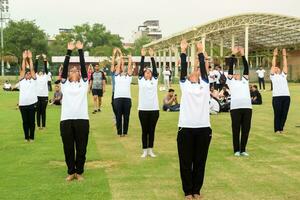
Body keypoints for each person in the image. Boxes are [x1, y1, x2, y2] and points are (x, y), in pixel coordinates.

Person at [177, 40, 212, 200]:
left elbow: (204, 69)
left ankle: (196, 190)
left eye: (196, 70)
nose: (194, 72)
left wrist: (200, 51)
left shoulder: (205, 84)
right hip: (186, 128)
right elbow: (183, 69)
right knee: (185, 162)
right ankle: (187, 191)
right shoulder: (184, 84)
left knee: (200, 162)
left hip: (203, 128)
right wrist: (183, 50)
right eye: (192, 71)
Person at [60, 41, 90, 181]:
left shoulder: (83, 84)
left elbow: (84, 69)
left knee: (81, 148)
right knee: (68, 148)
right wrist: (68, 52)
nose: (73, 71)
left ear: (79, 74)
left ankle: (79, 172)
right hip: (66, 119)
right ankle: (71, 172)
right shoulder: (64, 85)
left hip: (82, 119)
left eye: (75, 70)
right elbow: (65, 69)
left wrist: (80, 51)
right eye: (71, 70)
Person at [227, 47, 252, 157]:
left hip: (247, 108)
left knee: (246, 130)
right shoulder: (231, 81)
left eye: (238, 73)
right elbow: (230, 67)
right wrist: (233, 55)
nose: (237, 74)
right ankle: (236, 150)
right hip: (235, 108)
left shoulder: (245, 81)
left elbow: (246, 67)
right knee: (236, 129)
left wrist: (242, 55)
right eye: (235, 74)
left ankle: (243, 149)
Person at [138, 48, 160, 158]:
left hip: (154, 110)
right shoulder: (141, 80)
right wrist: (142, 56)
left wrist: (152, 57)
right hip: (142, 109)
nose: (148, 73)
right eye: (146, 72)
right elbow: (141, 69)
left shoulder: (154, 80)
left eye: (149, 72)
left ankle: (150, 149)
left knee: (152, 131)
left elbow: (155, 71)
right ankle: (144, 150)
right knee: (144, 131)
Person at [270, 48, 290, 134]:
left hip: (286, 97)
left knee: (284, 114)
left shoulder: (283, 75)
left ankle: (281, 128)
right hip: (276, 97)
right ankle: (276, 129)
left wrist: (284, 56)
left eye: (278, 68)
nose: (277, 68)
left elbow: (285, 66)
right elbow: (273, 65)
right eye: (275, 68)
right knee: (277, 113)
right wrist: (274, 55)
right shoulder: (272, 76)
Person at [18, 50, 37, 142]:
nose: (28, 74)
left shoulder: (33, 80)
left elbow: (32, 69)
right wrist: (24, 59)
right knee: (25, 122)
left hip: (32, 104)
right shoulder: (21, 81)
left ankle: (32, 137)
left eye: (29, 73)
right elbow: (23, 69)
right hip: (23, 105)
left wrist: (30, 58)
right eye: (27, 73)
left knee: (32, 122)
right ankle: (26, 137)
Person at [113, 49, 133, 137]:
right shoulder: (117, 77)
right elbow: (117, 67)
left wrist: (130, 59)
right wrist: (120, 59)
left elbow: (129, 68)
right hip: (117, 98)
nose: (124, 70)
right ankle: (119, 132)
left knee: (126, 116)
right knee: (118, 116)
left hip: (127, 99)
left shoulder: (128, 78)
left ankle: (125, 132)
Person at [35, 54, 49, 130]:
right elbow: (35, 68)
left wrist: (44, 58)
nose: (40, 72)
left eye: (42, 71)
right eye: (39, 71)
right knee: (38, 112)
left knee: (43, 112)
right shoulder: (36, 76)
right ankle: (38, 126)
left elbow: (46, 68)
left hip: (44, 96)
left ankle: (43, 126)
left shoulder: (45, 76)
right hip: (37, 96)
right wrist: (36, 59)